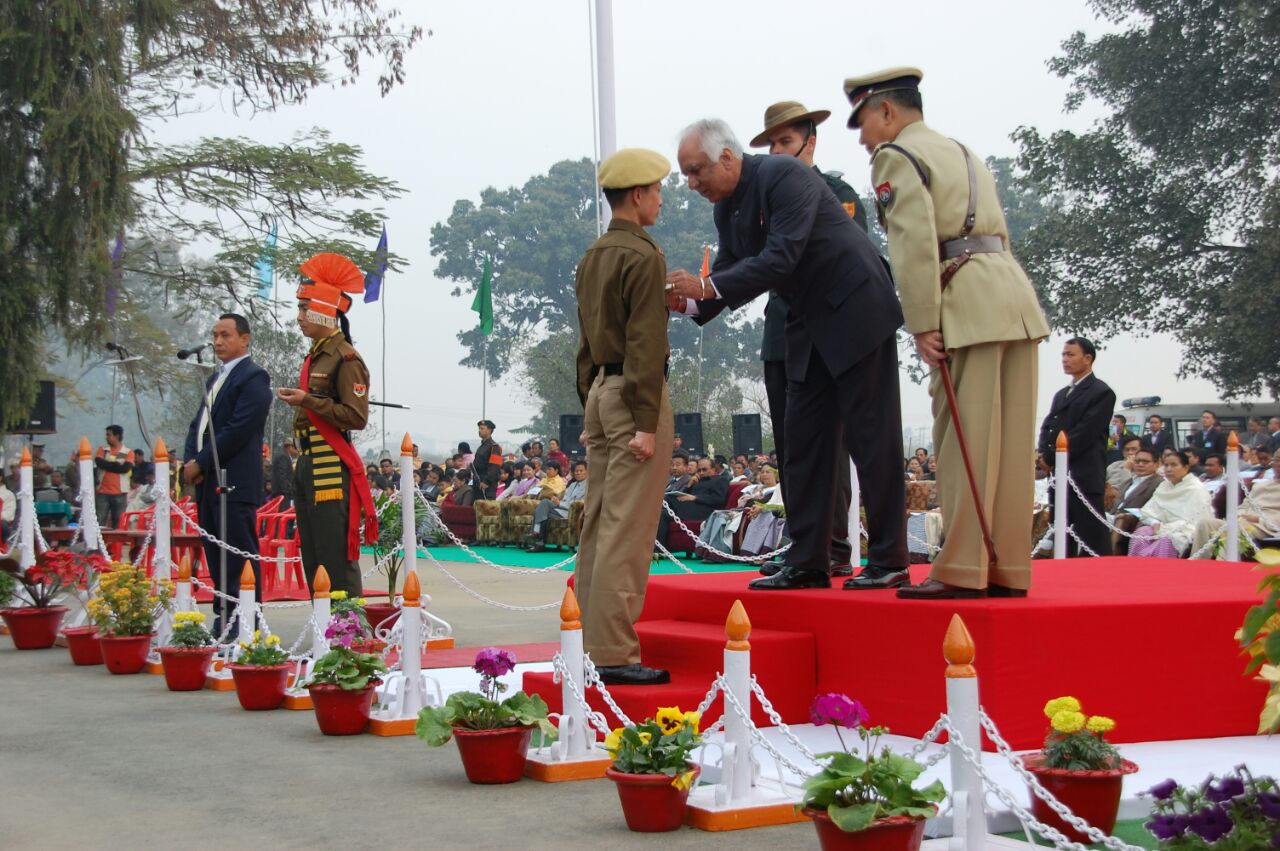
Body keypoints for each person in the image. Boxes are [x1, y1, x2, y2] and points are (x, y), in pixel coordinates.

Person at [668, 118, 908, 591]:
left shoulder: (785, 176)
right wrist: (689, 301)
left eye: (698, 172)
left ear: (728, 158)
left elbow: (781, 257)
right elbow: (735, 270)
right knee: (803, 444)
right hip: (807, 322)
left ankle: (889, 559)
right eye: (686, 176)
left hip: (856, 307)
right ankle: (809, 560)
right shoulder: (727, 209)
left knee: (871, 437)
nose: (693, 185)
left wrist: (708, 284)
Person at [843, 67, 1050, 597]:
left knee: (963, 443)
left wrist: (921, 323)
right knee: (1008, 445)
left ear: (887, 111)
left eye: (863, 121)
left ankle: (962, 567)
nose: (863, 138)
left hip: (963, 300)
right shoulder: (963, 151)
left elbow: (913, 244)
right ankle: (1006, 568)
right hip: (1012, 297)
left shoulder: (897, 158)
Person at [744, 101, 869, 578]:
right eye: (771, 144)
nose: (778, 151)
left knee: (828, 446)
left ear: (810, 143)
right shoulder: (763, 203)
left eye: (786, 142)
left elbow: (844, 259)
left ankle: (834, 545)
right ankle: (803, 548)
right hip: (781, 332)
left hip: (825, 334)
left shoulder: (837, 193)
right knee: (791, 447)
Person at [572, 148, 675, 686]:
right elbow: (646, 342)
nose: (661, 198)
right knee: (626, 528)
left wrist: (592, 397)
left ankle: (586, 639)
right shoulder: (643, 255)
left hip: (600, 391)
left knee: (598, 522)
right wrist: (645, 418)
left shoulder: (593, 255)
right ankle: (613, 651)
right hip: (635, 393)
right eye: (657, 189)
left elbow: (587, 341)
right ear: (638, 195)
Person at [276, 253, 378, 599]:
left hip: (330, 466)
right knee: (313, 555)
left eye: (305, 308)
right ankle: (326, 630)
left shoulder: (346, 357)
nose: (300, 317)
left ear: (324, 310)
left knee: (335, 556)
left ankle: (350, 632)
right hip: (306, 462)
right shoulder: (316, 354)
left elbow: (355, 416)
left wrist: (307, 400)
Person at [181, 313, 273, 635]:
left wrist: (202, 462)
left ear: (245, 339)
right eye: (215, 335)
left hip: (233, 481)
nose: (218, 341)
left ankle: (246, 618)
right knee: (214, 551)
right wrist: (189, 461)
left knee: (237, 552)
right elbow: (199, 425)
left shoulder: (254, 378)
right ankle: (224, 617)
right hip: (208, 480)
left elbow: (238, 430)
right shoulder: (214, 379)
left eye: (226, 335)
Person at [1037, 338, 1116, 557]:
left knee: (1092, 533)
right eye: (1063, 355)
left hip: (1084, 473)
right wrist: (1043, 453)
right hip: (1059, 473)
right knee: (1063, 531)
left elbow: (1085, 432)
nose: (1065, 360)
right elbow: (1048, 426)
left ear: (1088, 358)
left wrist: (1053, 456)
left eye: (1071, 355)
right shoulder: (1062, 394)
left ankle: (1101, 574)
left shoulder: (1101, 392)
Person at [1127, 451, 1212, 557]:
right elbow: (1148, 511)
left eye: (1173, 465)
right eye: (1166, 465)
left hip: (1184, 530)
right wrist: (1154, 522)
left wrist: (1164, 528)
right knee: (1141, 533)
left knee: (1167, 540)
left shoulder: (1196, 488)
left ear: (1185, 467)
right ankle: (1135, 569)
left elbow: (1195, 521)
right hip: (1161, 526)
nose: (1168, 469)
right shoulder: (1164, 486)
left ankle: (1161, 571)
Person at [655, 455, 730, 543]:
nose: (701, 473)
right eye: (699, 470)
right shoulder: (697, 480)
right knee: (663, 513)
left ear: (713, 469)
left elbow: (718, 499)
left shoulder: (720, 480)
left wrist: (695, 497)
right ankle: (659, 548)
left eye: (704, 470)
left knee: (669, 498)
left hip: (705, 511)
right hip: (689, 509)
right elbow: (686, 495)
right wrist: (689, 485)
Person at [526, 459, 588, 552]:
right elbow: (565, 499)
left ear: (587, 472)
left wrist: (559, 503)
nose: (578, 473)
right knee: (543, 507)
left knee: (544, 506)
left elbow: (578, 503)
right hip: (561, 508)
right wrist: (557, 501)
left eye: (581, 471)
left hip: (571, 512)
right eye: (576, 471)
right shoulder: (572, 485)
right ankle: (540, 542)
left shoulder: (588, 486)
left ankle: (536, 533)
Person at [1108, 446, 1163, 551]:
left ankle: (1112, 559)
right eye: (1137, 461)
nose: (1140, 464)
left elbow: (1151, 510)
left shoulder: (1159, 483)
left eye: (1145, 462)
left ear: (1156, 464)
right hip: (1111, 516)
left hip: (1134, 520)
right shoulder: (1128, 482)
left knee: (1121, 520)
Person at [94, 425, 134, 531]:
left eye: (109, 435)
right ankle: (99, 546)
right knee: (99, 522)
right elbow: (99, 462)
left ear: (117, 436)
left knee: (119, 523)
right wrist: (115, 465)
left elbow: (125, 468)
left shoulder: (128, 452)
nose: (106, 437)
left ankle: (116, 546)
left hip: (120, 493)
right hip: (102, 492)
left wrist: (107, 465)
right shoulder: (103, 450)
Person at [472, 420, 503, 500]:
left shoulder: (494, 447)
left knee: (486, 509)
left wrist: (487, 481)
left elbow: (495, 467)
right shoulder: (481, 447)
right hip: (478, 482)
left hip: (487, 485)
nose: (479, 431)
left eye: (482, 428)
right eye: (479, 428)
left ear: (489, 430)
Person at [271, 439, 298, 510]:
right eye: (295, 447)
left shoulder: (284, 456)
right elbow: (282, 475)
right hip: (282, 494)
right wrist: (287, 490)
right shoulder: (283, 457)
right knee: (282, 515)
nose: (297, 450)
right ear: (289, 447)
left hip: (282, 493)